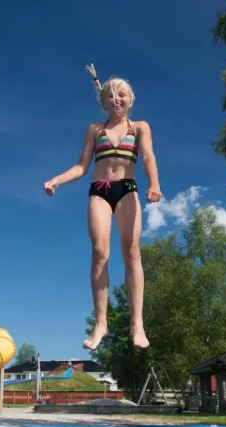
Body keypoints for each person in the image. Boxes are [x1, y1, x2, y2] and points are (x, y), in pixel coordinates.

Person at [43, 76, 162, 350]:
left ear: (130, 100)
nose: (116, 99)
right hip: (100, 189)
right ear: (103, 102)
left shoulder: (140, 127)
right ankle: (101, 324)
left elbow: (147, 157)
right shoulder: (95, 130)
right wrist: (57, 180)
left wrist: (154, 184)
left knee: (132, 251)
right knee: (99, 251)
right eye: (110, 95)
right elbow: (81, 166)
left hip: (127, 188)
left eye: (121, 95)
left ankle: (137, 324)